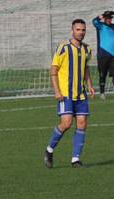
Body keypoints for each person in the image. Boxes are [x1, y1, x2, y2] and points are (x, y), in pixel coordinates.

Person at [43, 19, 94, 169]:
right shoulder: (63, 48)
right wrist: (57, 91)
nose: (81, 32)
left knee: (82, 124)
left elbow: (85, 69)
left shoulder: (87, 49)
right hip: (65, 93)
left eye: (83, 30)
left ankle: (75, 159)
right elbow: (53, 70)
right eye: (78, 29)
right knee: (66, 124)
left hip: (81, 94)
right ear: (72, 30)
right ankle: (49, 150)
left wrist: (90, 85)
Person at [92, 10, 114, 99]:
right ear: (104, 19)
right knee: (102, 75)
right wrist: (102, 16)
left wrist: (108, 15)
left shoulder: (113, 27)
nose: (109, 20)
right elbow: (94, 21)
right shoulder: (100, 26)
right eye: (107, 18)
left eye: (110, 18)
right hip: (102, 55)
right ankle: (102, 93)